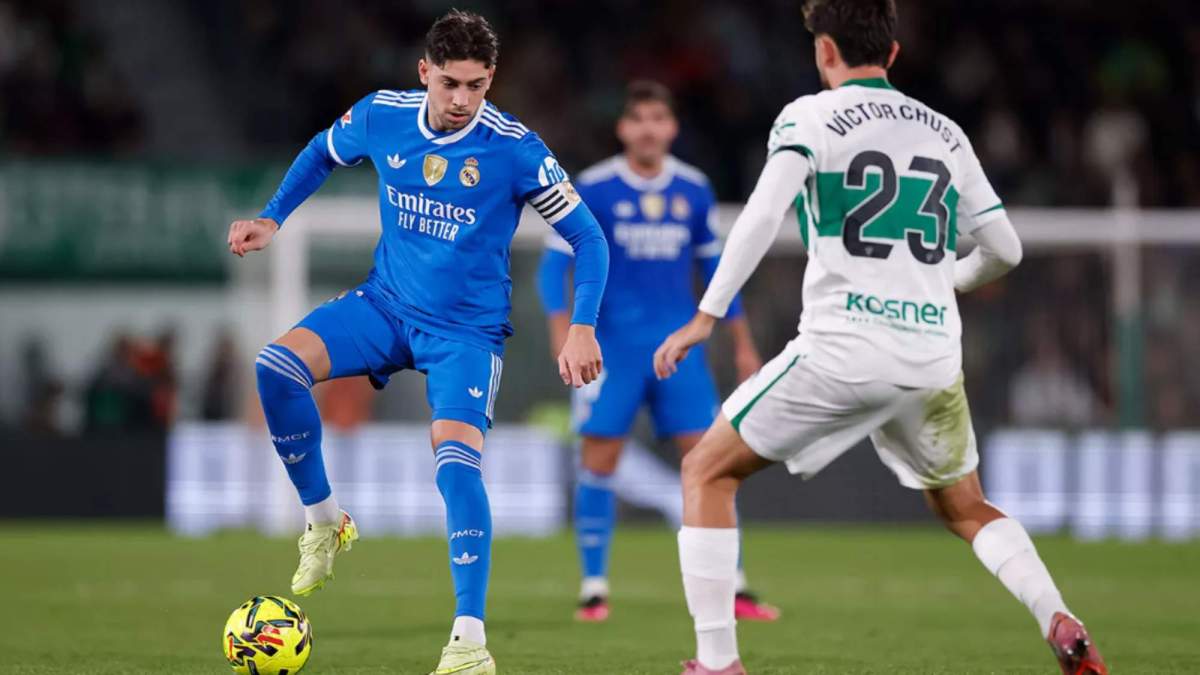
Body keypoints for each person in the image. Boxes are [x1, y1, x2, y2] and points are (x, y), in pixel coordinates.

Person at [652, 1, 1108, 673]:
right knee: (965, 504)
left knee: (706, 469)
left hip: (843, 346)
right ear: (892, 55)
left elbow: (760, 215)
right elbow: (1004, 249)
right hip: (930, 356)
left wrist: (708, 314)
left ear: (825, 52)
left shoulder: (809, 115)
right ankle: (1058, 616)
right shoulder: (946, 132)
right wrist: (940, 282)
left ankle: (717, 662)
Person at [225, 11, 609, 674]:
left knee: (456, 461)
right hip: (385, 305)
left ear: (492, 81)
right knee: (277, 367)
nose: (463, 101)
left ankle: (468, 639)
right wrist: (272, 217)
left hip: (465, 332)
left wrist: (582, 324)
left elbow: (590, 238)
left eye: (478, 86)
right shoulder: (383, 115)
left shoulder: (514, 148)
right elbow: (322, 151)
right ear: (424, 72)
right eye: (452, 83)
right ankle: (324, 521)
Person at [537, 80, 777, 623]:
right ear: (623, 127)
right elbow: (554, 266)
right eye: (638, 118)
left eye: (658, 118)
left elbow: (716, 273)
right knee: (598, 462)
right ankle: (594, 589)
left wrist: (743, 344)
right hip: (612, 351)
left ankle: (732, 588)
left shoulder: (693, 190)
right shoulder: (593, 187)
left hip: (678, 351)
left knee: (712, 464)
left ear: (672, 128)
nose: (648, 128)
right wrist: (563, 334)